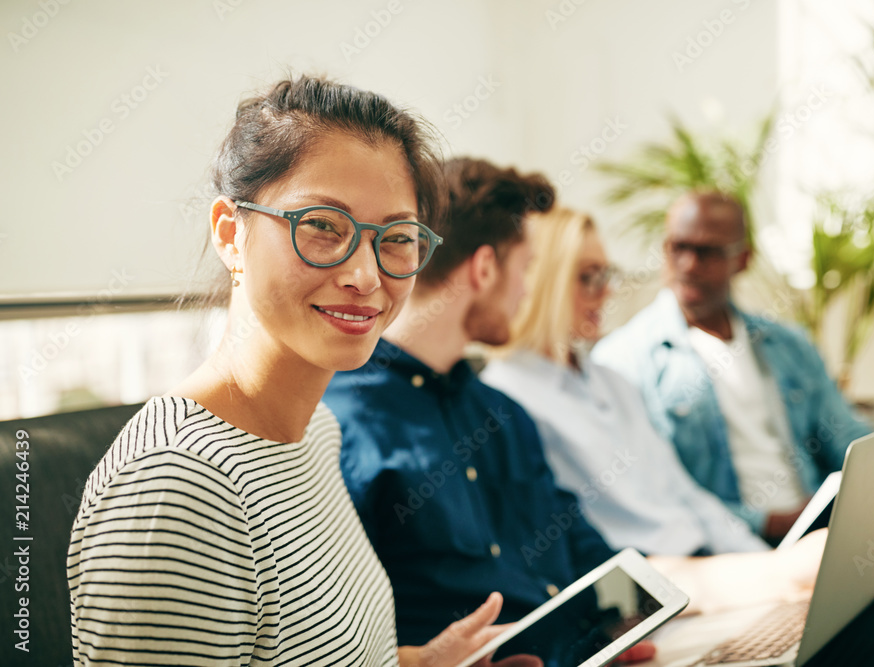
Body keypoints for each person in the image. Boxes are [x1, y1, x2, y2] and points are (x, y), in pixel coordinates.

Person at [324, 160, 874, 667]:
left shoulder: (500, 417)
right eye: (529, 270)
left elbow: (608, 574)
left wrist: (783, 577)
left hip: (620, 644)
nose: (528, 292)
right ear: (488, 267)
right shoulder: (346, 426)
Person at [67, 77, 537, 667]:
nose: (366, 275)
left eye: (395, 238)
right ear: (230, 234)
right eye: (321, 225)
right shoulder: (178, 490)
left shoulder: (315, 432)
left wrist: (421, 663)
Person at [592, 189, 874, 665]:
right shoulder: (625, 364)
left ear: (741, 258)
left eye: (706, 251)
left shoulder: (784, 344)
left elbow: (847, 431)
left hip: (822, 518)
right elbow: (665, 498)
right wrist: (773, 520)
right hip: (744, 550)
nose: (687, 263)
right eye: (675, 247)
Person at [482, 207, 769, 557]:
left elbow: (686, 493)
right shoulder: (505, 396)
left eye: (607, 275)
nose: (607, 293)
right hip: (648, 580)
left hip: (703, 561)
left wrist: (759, 558)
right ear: (544, 282)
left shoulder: (612, 381)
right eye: (589, 277)